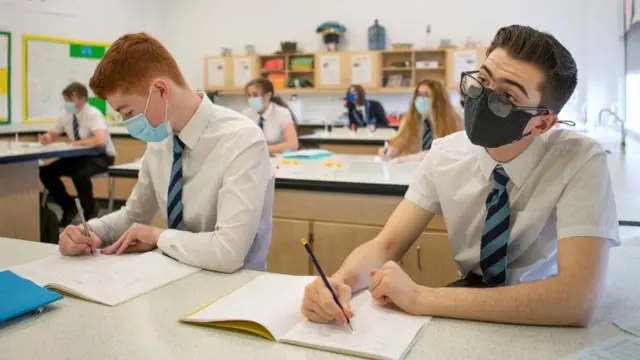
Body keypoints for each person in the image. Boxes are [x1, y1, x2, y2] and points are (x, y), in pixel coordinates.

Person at [301, 25, 619, 327]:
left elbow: (577, 300)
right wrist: (339, 281)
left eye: (507, 98)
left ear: (542, 124)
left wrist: (423, 297)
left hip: (544, 315)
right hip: (465, 303)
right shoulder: (445, 155)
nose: (482, 99)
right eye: (482, 80)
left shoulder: (579, 159)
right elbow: (386, 245)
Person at [56, 33, 274, 273]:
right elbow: (134, 215)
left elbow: (227, 253)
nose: (127, 123)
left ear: (160, 90)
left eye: (128, 112)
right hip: (174, 277)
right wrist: (87, 231)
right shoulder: (162, 139)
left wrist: (157, 236)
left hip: (235, 290)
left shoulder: (242, 140)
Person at [39, 82, 116, 225]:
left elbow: (100, 139)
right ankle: (68, 206)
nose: (67, 103)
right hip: (78, 156)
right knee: (45, 172)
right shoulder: (66, 115)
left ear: (82, 100)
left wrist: (78, 143)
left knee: (79, 173)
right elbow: (54, 132)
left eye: (70, 100)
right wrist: (47, 137)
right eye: (66, 100)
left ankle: (90, 210)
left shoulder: (93, 114)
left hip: (102, 156)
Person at [379, 79, 461, 162]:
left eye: (426, 95)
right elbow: (400, 142)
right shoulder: (409, 119)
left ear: (438, 100)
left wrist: (414, 158)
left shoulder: (453, 121)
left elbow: (451, 151)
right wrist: (391, 150)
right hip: (411, 169)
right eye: (419, 95)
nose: (421, 99)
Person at [242, 78, 299, 154]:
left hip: (280, 159)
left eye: (255, 95)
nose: (251, 99)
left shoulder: (281, 113)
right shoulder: (246, 114)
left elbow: (293, 145)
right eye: (249, 95)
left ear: (268, 96)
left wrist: (262, 149)